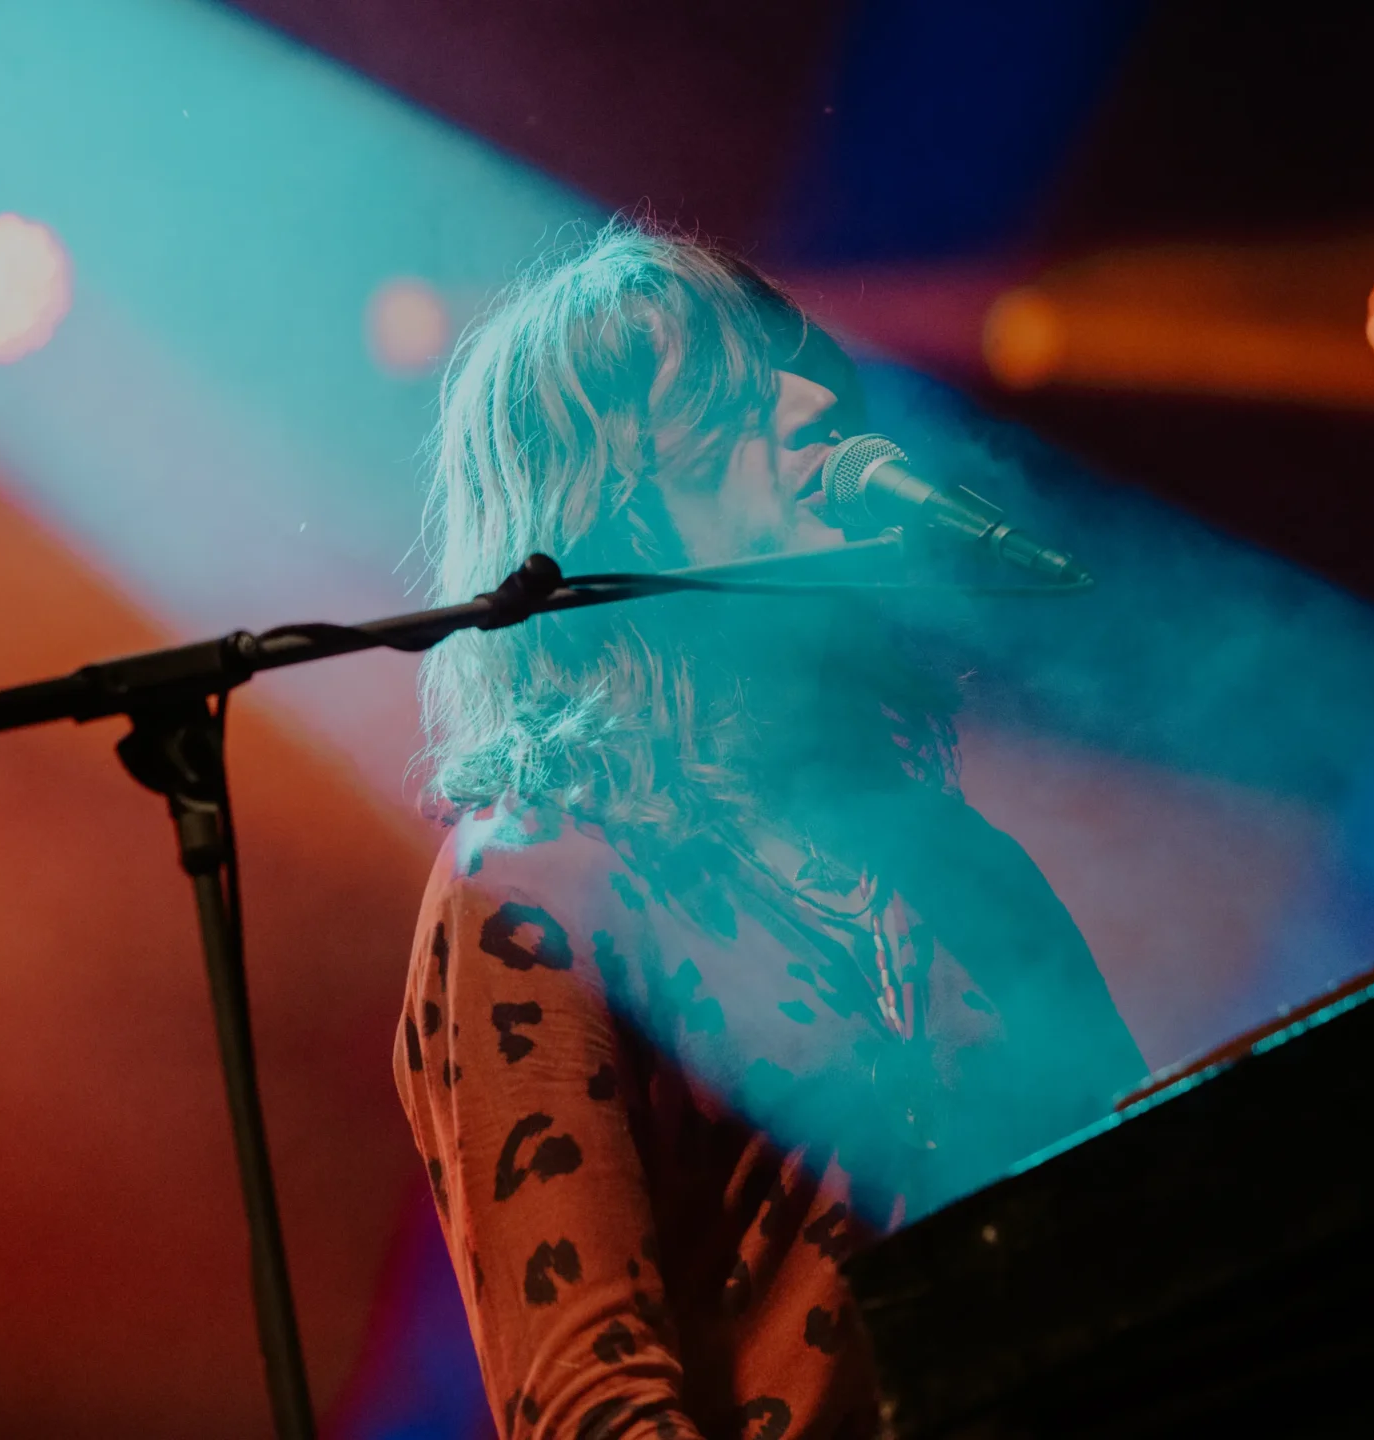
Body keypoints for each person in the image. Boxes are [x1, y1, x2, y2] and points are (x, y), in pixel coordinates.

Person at [395, 221, 1146, 1440]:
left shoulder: (966, 870)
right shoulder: (537, 883)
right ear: (610, 507)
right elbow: (591, 1403)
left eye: (793, 368)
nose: (809, 403)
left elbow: (1170, 1241)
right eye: (726, 398)